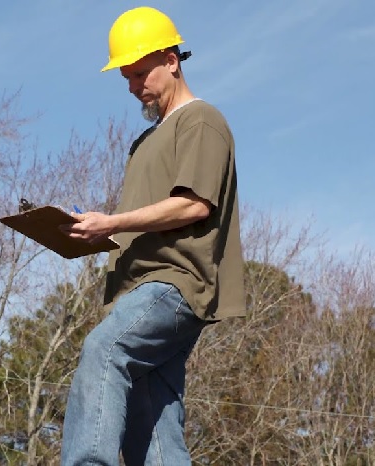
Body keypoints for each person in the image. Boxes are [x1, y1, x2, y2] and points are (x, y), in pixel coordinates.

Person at [59, 6, 246, 465]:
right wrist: (90, 233)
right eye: (125, 77)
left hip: (174, 284)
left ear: (172, 60)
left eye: (141, 72)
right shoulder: (145, 141)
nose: (132, 85)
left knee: (105, 350)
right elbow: (148, 220)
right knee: (154, 427)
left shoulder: (201, 120)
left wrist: (112, 222)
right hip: (136, 289)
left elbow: (193, 204)